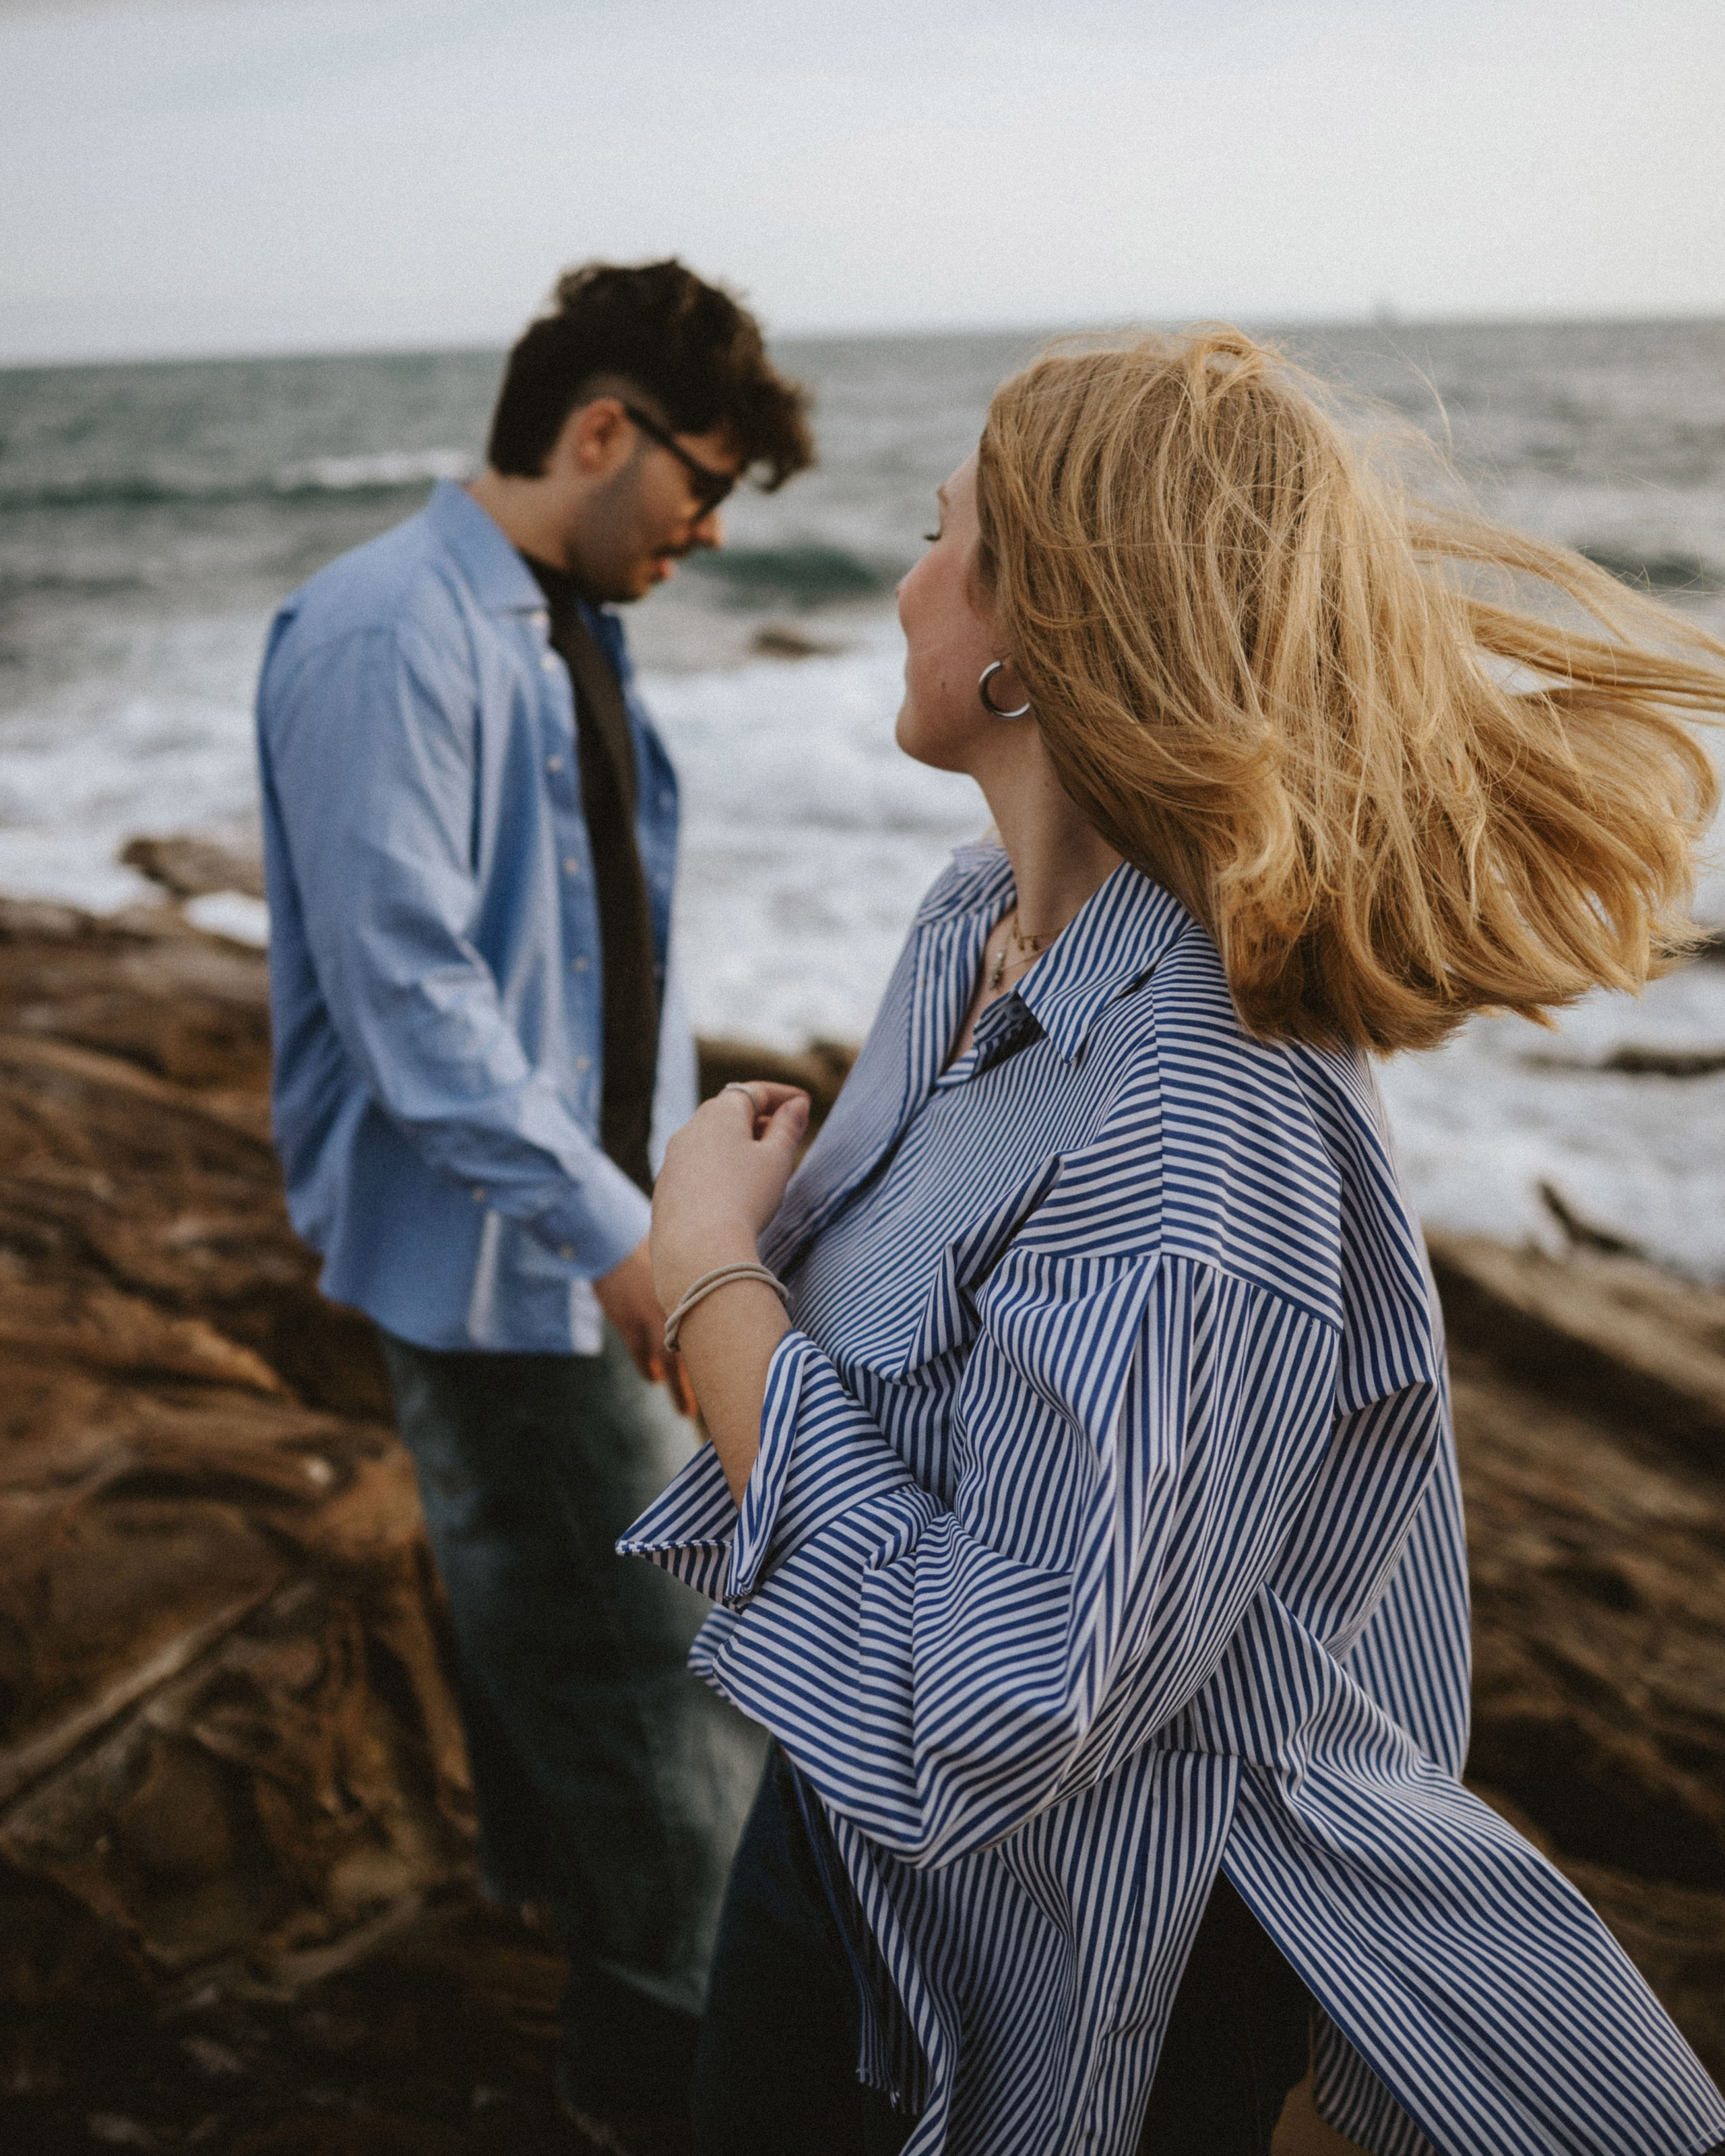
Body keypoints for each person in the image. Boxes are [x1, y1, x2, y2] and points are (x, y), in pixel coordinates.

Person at [621, 329, 1725, 2155]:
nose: (900, 582)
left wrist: (708, 1272)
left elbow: (992, 1697)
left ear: (1038, 633)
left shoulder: (1203, 1117)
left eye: (939, 535)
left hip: (1074, 1956)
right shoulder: (977, 923)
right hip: (855, 1843)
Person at [255, 259, 814, 2154]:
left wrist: (680, 1195)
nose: (711, 530)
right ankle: (654, 2087)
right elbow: (413, 1001)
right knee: (659, 1700)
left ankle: (591, 1987)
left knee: (586, 1657)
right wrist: (629, 1241)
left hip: (577, 1241)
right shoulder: (386, 632)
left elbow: (593, 959)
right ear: (599, 430)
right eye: (702, 482)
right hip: (508, 1270)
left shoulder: (557, 620)